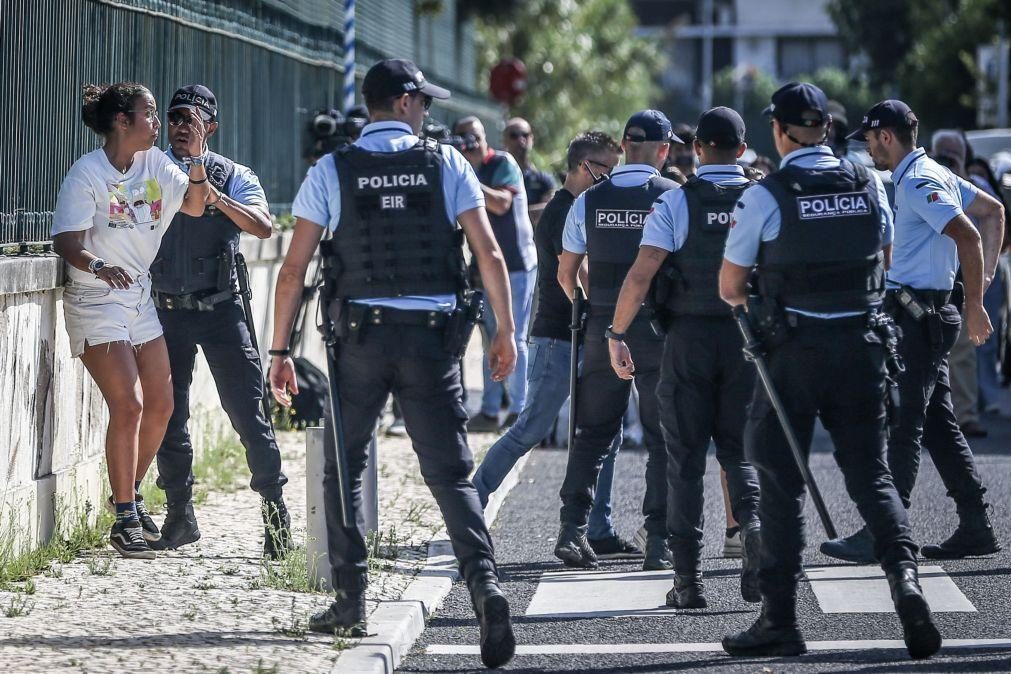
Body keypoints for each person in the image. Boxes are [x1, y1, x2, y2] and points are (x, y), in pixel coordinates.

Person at [268, 59, 516, 669]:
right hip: (432, 341)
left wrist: (278, 352)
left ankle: (350, 601)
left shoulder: (333, 168)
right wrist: (505, 331)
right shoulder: (448, 163)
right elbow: (487, 251)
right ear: (404, 103)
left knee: (344, 467)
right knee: (450, 472)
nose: (428, 111)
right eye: (423, 102)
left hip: (361, 341)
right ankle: (484, 586)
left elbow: (294, 270)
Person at [719, 83, 940, 660]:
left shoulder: (766, 195)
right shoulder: (869, 182)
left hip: (793, 352)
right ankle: (906, 584)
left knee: (778, 481)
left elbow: (729, 287)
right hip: (862, 347)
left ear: (780, 130)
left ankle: (781, 621)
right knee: (872, 474)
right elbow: (883, 259)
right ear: (827, 128)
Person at [822, 100, 1005, 563]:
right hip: (923, 315)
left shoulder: (921, 181)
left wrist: (977, 300)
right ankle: (975, 525)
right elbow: (995, 210)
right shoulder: (930, 173)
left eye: (869, 139)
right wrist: (978, 285)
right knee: (939, 426)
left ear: (886, 136)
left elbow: (968, 232)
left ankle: (886, 532)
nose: (867, 148)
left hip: (918, 316)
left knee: (903, 423)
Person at [608, 106, 761, 608]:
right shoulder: (761, 197)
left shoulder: (677, 201)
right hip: (746, 341)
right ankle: (753, 533)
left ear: (697, 150)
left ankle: (688, 582)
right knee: (741, 453)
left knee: (686, 460)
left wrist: (616, 331)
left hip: (689, 340)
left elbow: (641, 274)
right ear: (741, 150)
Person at [51, 82, 210, 559]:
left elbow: (197, 205)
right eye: (150, 114)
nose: (158, 123)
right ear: (123, 121)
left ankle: (130, 495)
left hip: (138, 296)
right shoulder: (87, 173)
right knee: (131, 404)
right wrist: (99, 265)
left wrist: (198, 158)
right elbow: (66, 241)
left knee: (161, 403)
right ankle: (124, 518)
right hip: (96, 297)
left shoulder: (156, 164)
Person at [472, 131, 642, 558]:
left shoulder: (588, 206)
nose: (612, 177)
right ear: (584, 166)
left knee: (608, 433)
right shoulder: (562, 211)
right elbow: (580, 274)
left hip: (586, 335)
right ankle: (470, 507)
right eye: (606, 168)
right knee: (530, 428)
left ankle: (598, 528)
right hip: (556, 336)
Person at [150, 85, 290, 556]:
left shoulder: (234, 174)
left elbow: (264, 225)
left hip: (221, 309)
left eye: (190, 119)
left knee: (248, 413)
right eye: (173, 118)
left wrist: (213, 195)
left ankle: (275, 517)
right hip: (165, 312)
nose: (180, 127)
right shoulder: (153, 170)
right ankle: (179, 515)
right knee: (170, 415)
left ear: (210, 126)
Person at [554, 110, 680, 571]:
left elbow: (566, 274)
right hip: (657, 330)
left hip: (602, 328)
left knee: (592, 433)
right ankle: (659, 540)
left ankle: (571, 528)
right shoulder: (674, 198)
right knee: (662, 437)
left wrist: (596, 309)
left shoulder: (588, 200)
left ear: (625, 146)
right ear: (664, 151)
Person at [454, 116, 537, 433]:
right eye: (463, 138)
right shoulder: (464, 168)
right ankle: (490, 410)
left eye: (472, 137)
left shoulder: (501, 162)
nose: (469, 144)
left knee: (512, 335)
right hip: (485, 267)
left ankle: (519, 411)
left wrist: (465, 177)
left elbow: (502, 203)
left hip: (515, 263)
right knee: (491, 339)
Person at [502, 117, 557, 226]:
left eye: (525, 135)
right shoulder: (496, 175)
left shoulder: (543, 180)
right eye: (514, 135)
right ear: (504, 140)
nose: (520, 139)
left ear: (532, 138)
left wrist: (509, 215)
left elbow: (549, 212)